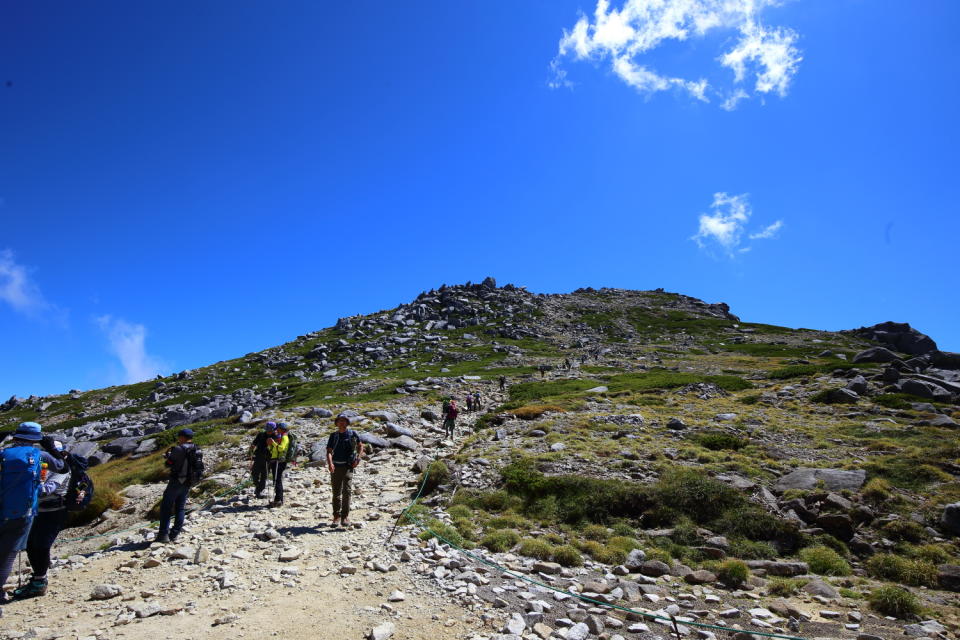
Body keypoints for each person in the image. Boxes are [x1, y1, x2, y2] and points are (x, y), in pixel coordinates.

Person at [0, 422, 65, 605]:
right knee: (8, 555)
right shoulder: (39, 455)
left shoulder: (3, 454)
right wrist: (51, 447)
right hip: (23, 512)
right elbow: (62, 466)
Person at [12, 439, 71, 600]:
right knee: (31, 544)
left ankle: (40, 580)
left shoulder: (63, 470)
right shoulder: (41, 467)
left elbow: (47, 490)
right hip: (38, 510)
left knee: (42, 545)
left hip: (54, 511)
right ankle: (38, 577)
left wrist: (25, 487)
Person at [155, 428, 201, 543]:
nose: (178, 439)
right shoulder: (197, 448)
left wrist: (168, 457)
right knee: (180, 507)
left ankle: (163, 535)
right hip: (188, 481)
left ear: (182, 437)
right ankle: (174, 534)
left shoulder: (178, 449)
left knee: (166, 507)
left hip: (176, 481)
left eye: (179, 437)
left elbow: (169, 463)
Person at [326, 414, 364, 527]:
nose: (342, 423)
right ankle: (336, 517)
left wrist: (358, 458)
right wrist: (330, 463)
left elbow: (360, 446)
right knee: (336, 492)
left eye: (344, 421)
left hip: (348, 466)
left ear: (347, 423)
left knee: (347, 491)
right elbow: (329, 451)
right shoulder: (333, 436)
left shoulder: (352, 434)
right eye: (340, 421)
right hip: (336, 467)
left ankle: (345, 517)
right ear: (337, 423)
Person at [247, 422, 276, 499]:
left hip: (268, 459)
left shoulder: (276, 436)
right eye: (267, 430)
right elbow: (254, 443)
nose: (268, 431)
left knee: (264, 476)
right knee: (254, 474)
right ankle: (258, 486)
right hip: (259, 457)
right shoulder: (261, 434)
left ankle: (258, 491)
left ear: (274, 429)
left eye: (270, 430)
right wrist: (251, 449)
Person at [267, 423, 290, 507]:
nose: (277, 430)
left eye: (278, 428)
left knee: (277, 480)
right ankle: (277, 499)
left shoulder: (284, 437)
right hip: (275, 460)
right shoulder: (280, 437)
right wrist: (270, 445)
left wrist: (273, 443)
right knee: (276, 480)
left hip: (279, 461)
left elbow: (281, 448)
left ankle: (279, 500)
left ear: (282, 429)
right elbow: (273, 450)